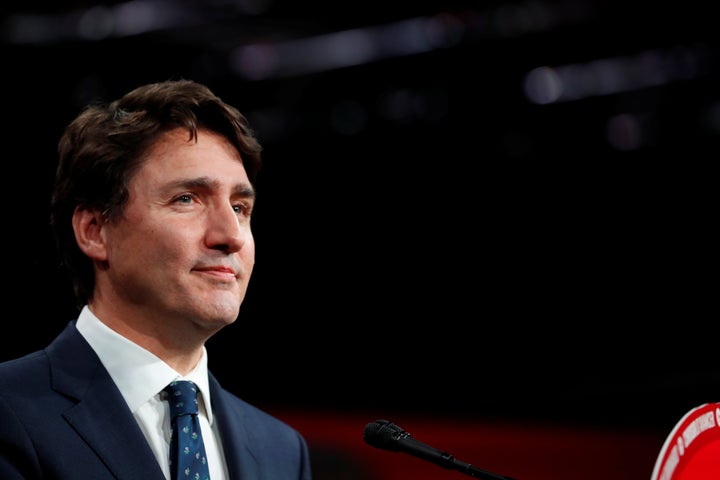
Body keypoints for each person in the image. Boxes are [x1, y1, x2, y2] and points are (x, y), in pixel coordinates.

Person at [0, 79, 313, 479]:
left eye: (239, 207)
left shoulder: (282, 451)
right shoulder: (10, 414)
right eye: (187, 199)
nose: (231, 234)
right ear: (96, 230)